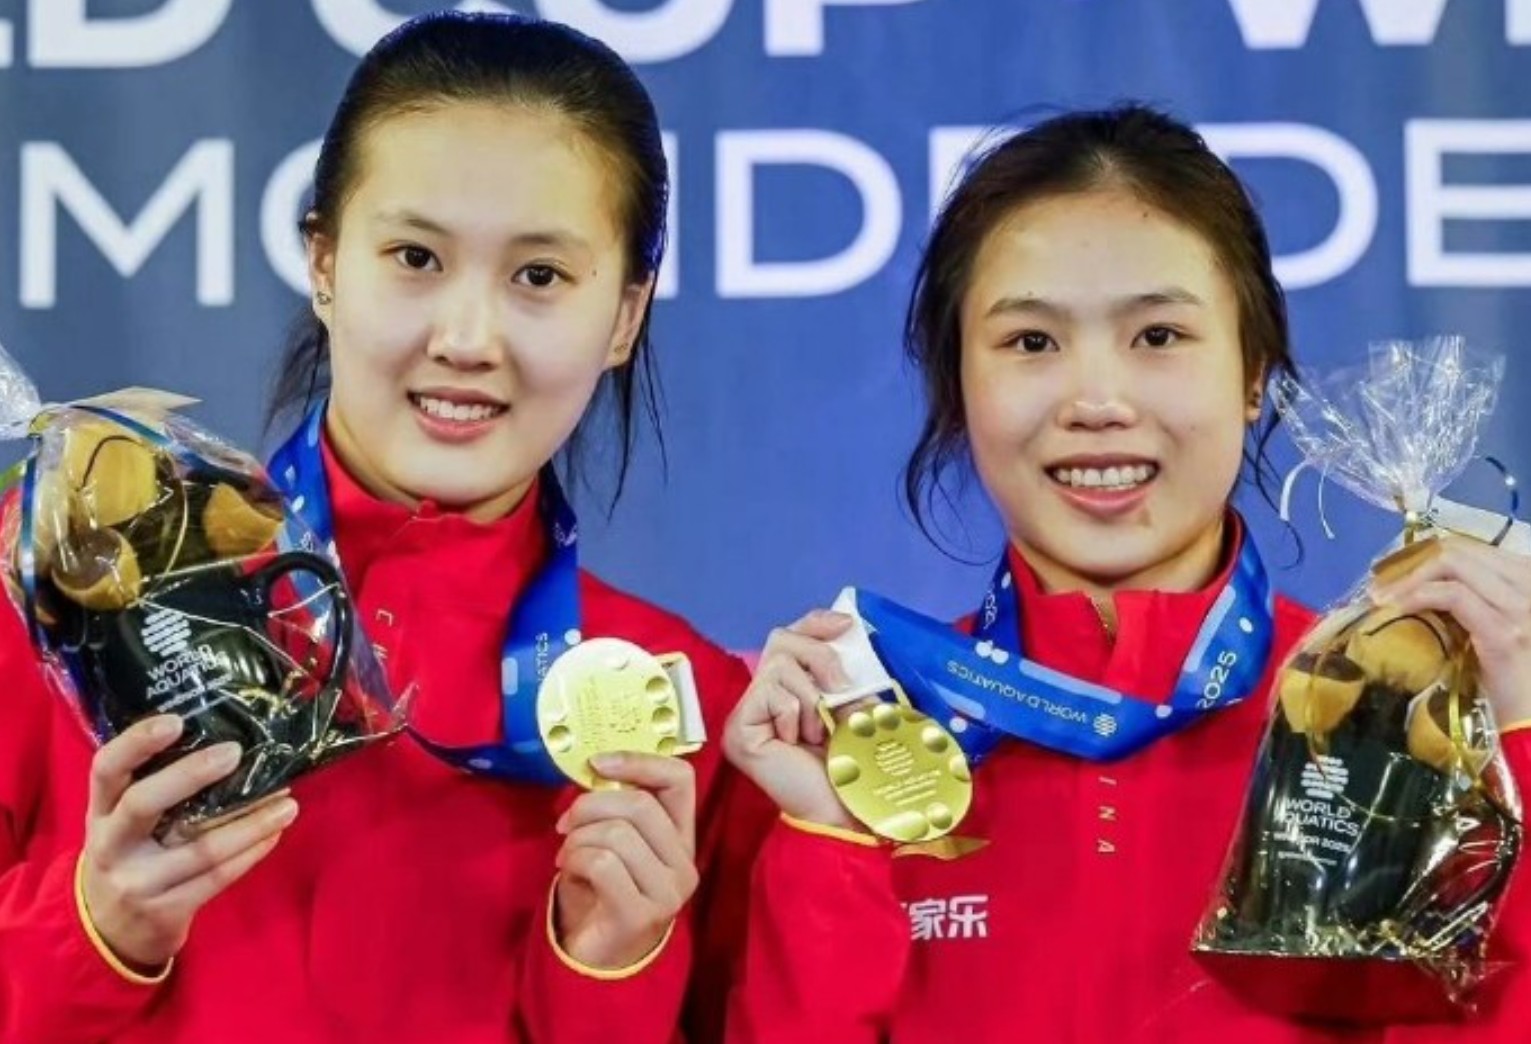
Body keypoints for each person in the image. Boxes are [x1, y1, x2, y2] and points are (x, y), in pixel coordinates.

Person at [0, 12, 749, 1043]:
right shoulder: (76, 585)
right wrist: (94, 930)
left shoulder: (678, 708)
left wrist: (608, 968)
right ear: (324, 262)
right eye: (415, 256)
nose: (467, 338)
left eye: (538, 276)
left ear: (623, 314)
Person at [719, 105, 1531, 1043]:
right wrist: (827, 845)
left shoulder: (1404, 717)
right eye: (1031, 342)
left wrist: (1513, 750)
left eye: (1157, 336)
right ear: (958, 383)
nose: (1096, 402)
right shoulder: (850, 740)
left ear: (1253, 373)